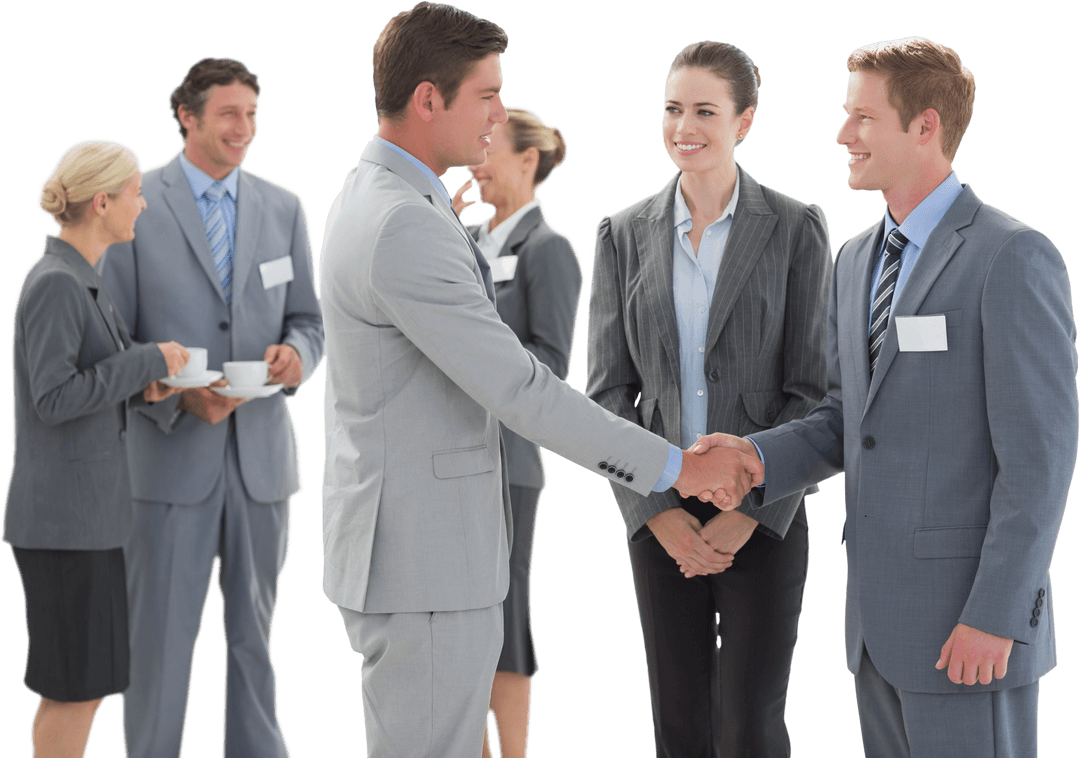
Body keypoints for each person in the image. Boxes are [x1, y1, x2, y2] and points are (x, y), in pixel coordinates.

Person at [318, 4, 762, 756]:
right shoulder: (403, 222)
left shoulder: (395, 199)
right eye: (486, 95)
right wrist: (679, 465)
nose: (499, 114)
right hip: (424, 563)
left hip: (419, 552)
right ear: (430, 99)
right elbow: (524, 388)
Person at [696, 37, 1076, 757]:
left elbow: (1041, 460)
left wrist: (996, 615)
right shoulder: (856, 259)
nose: (844, 135)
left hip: (971, 632)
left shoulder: (1012, 257)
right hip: (878, 627)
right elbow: (849, 420)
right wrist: (753, 455)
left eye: (863, 118)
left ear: (925, 126)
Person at [585, 41, 832, 757]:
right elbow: (609, 391)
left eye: (703, 110)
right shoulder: (622, 234)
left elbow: (813, 390)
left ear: (744, 121)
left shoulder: (794, 227)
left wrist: (750, 512)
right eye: (671, 108)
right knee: (678, 724)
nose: (682, 126)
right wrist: (654, 513)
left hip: (763, 512)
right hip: (659, 511)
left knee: (750, 724)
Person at [98, 56, 324, 758]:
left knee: (255, 638)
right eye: (229, 114)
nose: (244, 129)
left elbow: (310, 324)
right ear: (187, 116)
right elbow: (110, 340)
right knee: (161, 641)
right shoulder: (134, 201)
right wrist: (170, 394)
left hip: (261, 463)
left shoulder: (284, 206)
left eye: (253, 115)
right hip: (166, 461)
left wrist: (295, 360)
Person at [3, 140, 189, 757]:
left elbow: (88, 385)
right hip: (63, 526)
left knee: (82, 685)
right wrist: (145, 361)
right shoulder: (56, 282)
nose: (142, 204)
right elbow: (53, 398)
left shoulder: (84, 279)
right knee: (73, 689)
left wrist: (146, 386)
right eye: (134, 193)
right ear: (102, 201)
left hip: (87, 522)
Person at [454, 107, 581, 758]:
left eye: (487, 149)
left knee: (502, 619)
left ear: (527, 161)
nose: (473, 162)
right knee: (457, 623)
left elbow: (552, 370)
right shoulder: (462, 237)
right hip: (448, 462)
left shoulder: (548, 250)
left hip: (506, 466)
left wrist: (474, 336)